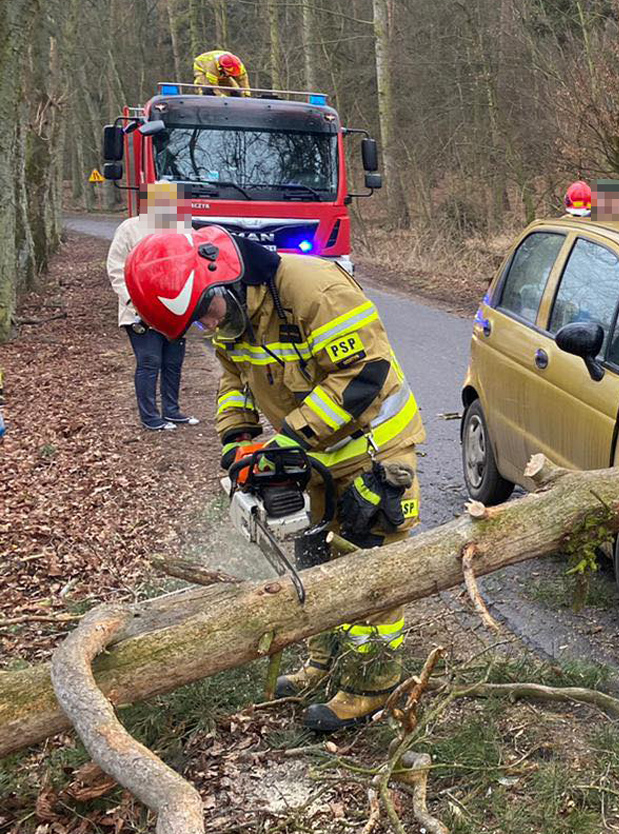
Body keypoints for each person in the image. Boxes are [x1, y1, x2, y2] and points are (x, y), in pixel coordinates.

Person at [124, 226, 426, 733]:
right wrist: (237, 439)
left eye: (205, 312)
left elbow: (364, 375)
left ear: (222, 277)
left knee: (369, 568)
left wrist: (290, 438)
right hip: (312, 455)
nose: (206, 325)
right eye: (195, 322)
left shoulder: (311, 288)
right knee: (312, 558)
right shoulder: (230, 317)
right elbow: (235, 379)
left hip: (374, 450)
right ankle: (324, 661)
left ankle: (373, 684)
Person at [107, 182, 199, 431]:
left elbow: (193, 267)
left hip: (174, 309)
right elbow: (116, 268)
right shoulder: (130, 229)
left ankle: (172, 410)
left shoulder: (183, 230)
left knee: (173, 362)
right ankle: (150, 416)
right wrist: (133, 302)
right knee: (149, 361)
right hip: (139, 312)